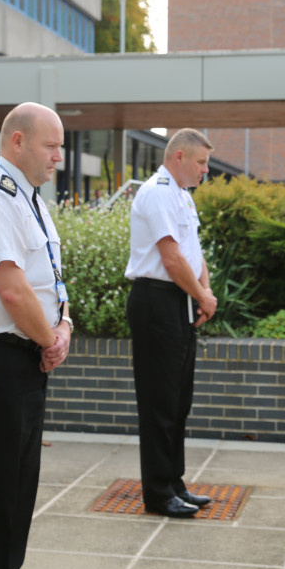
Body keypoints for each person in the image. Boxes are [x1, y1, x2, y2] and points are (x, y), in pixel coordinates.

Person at [0, 102, 72, 569]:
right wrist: (50, 338)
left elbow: (49, 277)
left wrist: (63, 324)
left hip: (28, 355)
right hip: (1, 357)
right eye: (52, 146)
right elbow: (11, 289)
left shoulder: (30, 198)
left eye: (62, 147)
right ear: (17, 141)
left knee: (21, 479)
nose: (59, 158)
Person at [124, 128, 218, 518]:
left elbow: (192, 253)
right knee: (160, 403)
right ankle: (158, 493)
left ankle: (174, 482)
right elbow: (170, 258)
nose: (205, 171)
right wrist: (201, 295)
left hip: (179, 298)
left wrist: (204, 292)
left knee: (179, 402)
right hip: (157, 301)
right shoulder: (159, 191)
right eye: (201, 162)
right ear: (179, 156)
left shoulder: (180, 195)